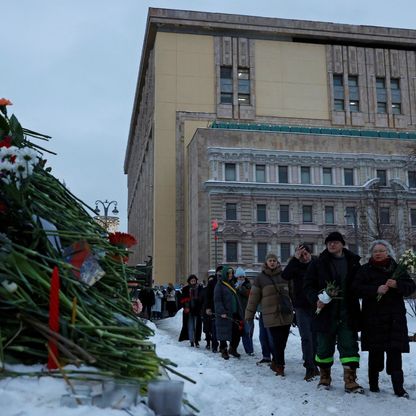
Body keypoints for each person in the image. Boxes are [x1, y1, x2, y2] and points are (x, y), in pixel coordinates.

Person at [353, 240, 416, 398]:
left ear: (388, 252)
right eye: (376, 251)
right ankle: (374, 385)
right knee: (375, 354)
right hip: (373, 319)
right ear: (371, 254)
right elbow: (355, 289)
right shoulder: (365, 270)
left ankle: (398, 388)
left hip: (394, 319)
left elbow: (411, 287)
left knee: (395, 354)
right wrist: (376, 289)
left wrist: (397, 284)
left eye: (381, 250)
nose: (378, 253)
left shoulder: (398, 269)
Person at [304, 231, 363, 393]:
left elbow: (360, 285)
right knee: (323, 346)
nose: (331, 244)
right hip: (325, 311)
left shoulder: (353, 262)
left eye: (335, 242)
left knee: (349, 345)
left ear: (342, 244)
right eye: (329, 242)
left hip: (347, 310)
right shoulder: (317, 263)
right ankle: (324, 378)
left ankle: (350, 380)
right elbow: (307, 285)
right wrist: (316, 298)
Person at [245, 253, 293, 376]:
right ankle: (280, 366)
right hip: (271, 315)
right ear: (266, 263)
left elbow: (293, 293)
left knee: (283, 342)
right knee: (277, 341)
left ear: (277, 262)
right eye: (270, 260)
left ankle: (275, 361)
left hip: (286, 314)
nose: (272, 262)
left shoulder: (285, 276)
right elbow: (253, 298)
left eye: (274, 260)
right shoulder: (260, 278)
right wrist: (249, 315)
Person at [282, 243, 319, 381]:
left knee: (315, 337)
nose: (303, 257)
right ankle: (310, 367)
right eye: (301, 254)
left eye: (305, 254)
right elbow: (285, 275)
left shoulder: (316, 264)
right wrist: (294, 259)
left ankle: (315, 363)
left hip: (316, 305)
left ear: (310, 253)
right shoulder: (295, 265)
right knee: (306, 337)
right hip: (301, 306)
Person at [214, 266, 243, 360]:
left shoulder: (232, 284)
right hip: (225, 314)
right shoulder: (219, 285)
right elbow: (217, 300)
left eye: (231, 273)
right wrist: (221, 311)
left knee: (236, 332)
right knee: (223, 332)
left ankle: (233, 349)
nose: (231, 275)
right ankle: (224, 350)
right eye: (229, 273)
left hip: (234, 313)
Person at [178, 275, 203, 347]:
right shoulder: (186, 289)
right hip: (188, 310)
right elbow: (182, 299)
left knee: (197, 326)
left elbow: (202, 298)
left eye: (194, 281)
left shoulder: (199, 288)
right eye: (192, 281)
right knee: (190, 326)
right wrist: (186, 306)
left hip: (197, 310)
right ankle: (191, 340)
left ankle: (197, 340)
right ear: (189, 281)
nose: (193, 282)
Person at [235, 267, 254, 356]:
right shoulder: (234, 285)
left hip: (247, 311)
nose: (241, 278)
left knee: (247, 331)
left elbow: (248, 294)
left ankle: (249, 350)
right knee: (238, 331)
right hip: (237, 312)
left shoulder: (247, 285)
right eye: (239, 277)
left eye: (242, 277)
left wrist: (240, 288)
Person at [205, 265, 222, 353]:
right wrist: (208, 308)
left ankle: (223, 346)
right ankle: (215, 345)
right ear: (216, 272)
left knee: (222, 328)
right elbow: (208, 296)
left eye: (222, 271)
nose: (220, 273)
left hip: (223, 309)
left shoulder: (225, 281)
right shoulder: (212, 283)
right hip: (213, 307)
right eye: (219, 271)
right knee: (214, 328)